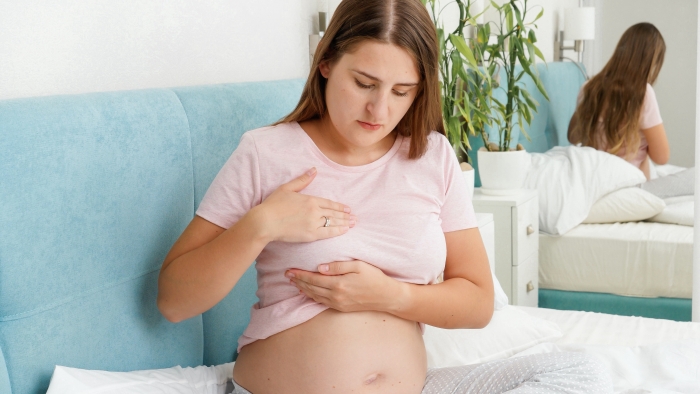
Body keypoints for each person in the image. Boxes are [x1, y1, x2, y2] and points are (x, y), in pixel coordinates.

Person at [157, 1, 613, 393]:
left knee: (576, 370)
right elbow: (173, 301)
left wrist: (389, 296)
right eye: (364, 83)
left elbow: (476, 302)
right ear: (327, 63)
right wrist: (261, 225)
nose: (380, 110)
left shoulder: (433, 157)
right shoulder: (266, 151)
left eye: (401, 92)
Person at [568, 22, 669, 180]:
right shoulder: (643, 93)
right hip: (628, 183)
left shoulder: (589, 88)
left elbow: (572, 137)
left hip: (594, 176)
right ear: (650, 62)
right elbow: (662, 157)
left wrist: (591, 108)